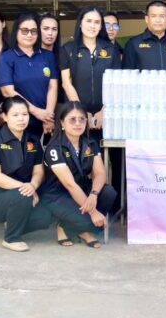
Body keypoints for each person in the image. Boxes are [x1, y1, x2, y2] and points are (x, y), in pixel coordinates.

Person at [0, 96, 53, 252]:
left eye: (25, 114)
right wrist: (26, 188)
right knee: (22, 195)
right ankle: (11, 238)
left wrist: (33, 185)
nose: (21, 119)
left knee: (45, 216)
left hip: (23, 193)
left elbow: (38, 170)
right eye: (15, 115)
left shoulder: (33, 140)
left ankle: (13, 222)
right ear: (5, 117)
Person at [42, 101, 118, 248]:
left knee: (108, 192)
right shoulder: (54, 148)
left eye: (82, 119)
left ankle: (78, 227)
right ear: (62, 123)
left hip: (82, 189)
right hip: (58, 195)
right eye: (72, 120)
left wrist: (94, 194)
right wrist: (93, 212)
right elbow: (70, 184)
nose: (78, 123)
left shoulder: (90, 143)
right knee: (91, 219)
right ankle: (68, 227)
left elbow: (100, 173)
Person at [59, 6, 120, 133]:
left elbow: (116, 84)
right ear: (80, 24)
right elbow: (66, 83)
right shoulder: (67, 49)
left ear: (101, 26)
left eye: (97, 22)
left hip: (106, 116)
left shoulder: (111, 49)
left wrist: (104, 111)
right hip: (76, 116)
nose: (92, 26)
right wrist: (81, 112)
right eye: (88, 21)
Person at [0, 10, 59, 139]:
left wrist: (48, 117)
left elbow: (52, 86)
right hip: (19, 121)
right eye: (25, 31)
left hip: (45, 123)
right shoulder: (7, 57)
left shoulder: (48, 56)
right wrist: (36, 112)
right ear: (16, 31)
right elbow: (7, 91)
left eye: (33, 31)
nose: (29, 35)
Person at [122, 0, 166, 72]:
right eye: (153, 16)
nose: (158, 20)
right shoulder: (133, 44)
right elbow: (127, 73)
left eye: (162, 16)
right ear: (146, 19)